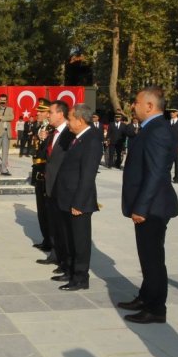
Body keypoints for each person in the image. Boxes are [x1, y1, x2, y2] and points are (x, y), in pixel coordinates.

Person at [118, 87, 178, 324]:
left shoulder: (157, 130)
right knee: (147, 257)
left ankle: (155, 308)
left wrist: (141, 208)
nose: (133, 106)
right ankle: (145, 297)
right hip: (149, 204)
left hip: (153, 207)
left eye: (136, 102)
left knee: (152, 259)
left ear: (150, 106)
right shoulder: (150, 128)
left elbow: (155, 173)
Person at [53, 104, 102, 291]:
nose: (68, 122)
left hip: (78, 201)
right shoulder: (78, 138)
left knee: (80, 241)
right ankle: (71, 271)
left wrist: (79, 203)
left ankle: (81, 277)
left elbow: (88, 175)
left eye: (71, 119)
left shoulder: (91, 140)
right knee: (70, 238)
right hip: (67, 198)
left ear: (80, 120)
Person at [44, 101, 75, 277]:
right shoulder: (52, 132)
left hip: (61, 186)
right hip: (50, 184)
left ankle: (66, 261)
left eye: (50, 112)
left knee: (64, 227)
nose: (48, 115)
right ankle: (56, 255)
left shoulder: (69, 134)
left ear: (61, 114)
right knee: (54, 223)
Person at [30, 99, 51, 251]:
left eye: (41, 111)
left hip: (45, 174)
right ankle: (46, 239)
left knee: (47, 210)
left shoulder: (50, 130)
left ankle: (51, 241)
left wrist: (46, 138)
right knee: (41, 210)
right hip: (38, 173)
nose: (38, 113)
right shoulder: (40, 127)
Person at [0, 93, 14, 175]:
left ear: (6, 101)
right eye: (1, 100)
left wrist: (1, 117)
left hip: (6, 132)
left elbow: (11, 117)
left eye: (4, 100)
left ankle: (4, 169)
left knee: (5, 152)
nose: (3, 102)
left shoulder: (10, 109)